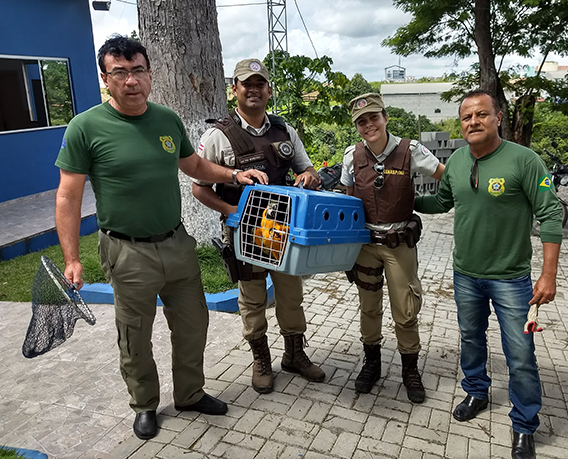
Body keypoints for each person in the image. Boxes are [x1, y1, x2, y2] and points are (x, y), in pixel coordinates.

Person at [54, 36, 268, 441]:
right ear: (106, 78)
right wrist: (72, 258)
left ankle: (189, 393)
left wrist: (233, 175)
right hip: (126, 250)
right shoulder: (86, 127)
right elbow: (68, 195)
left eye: (138, 71)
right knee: (135, 334)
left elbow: (194, 164)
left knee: (192, 325)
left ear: (150, 75)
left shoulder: (166, 120)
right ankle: (145, 405)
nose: (131, 81)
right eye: (120, 72)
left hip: (176, 243)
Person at [415, 90, 562, 459]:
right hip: (466, 274)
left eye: (481, 114)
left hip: (512, 279)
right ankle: (476, 391)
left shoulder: (524, 161)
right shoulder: (460, 161)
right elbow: (442, 202)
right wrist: (404, 200)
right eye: (466, 117)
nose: (473, 122)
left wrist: (549, 274)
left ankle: (525, 424)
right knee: (471, 338)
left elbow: (551, 215)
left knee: (520, 354)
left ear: (497, 117)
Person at [192, 58, 325, 395]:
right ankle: (261, 360)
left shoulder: (285, 131)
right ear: (234, 89)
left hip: (284, 233)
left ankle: (295, 355)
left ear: (268, 90)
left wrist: (309, 176)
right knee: (252, 301)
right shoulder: (218, 137)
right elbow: (199, 187)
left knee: (291, 296)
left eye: (259, 84)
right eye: (245, 84)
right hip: (244, 235)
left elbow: (307, 170)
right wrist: (230, 210)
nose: (253, 89)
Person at [341, 93, 444, 404]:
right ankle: (372, 363)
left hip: (399, 245)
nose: (369, 124)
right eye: (362, 121)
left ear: (385, 117)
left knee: (406, 309)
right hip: (366, 246)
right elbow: (347, 201)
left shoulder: (410, 151)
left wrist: (439, 204)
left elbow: (444, 175)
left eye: (373, 117)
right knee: (369, 307)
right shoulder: (352, 156)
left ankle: (409, 369)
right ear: (357, 127)